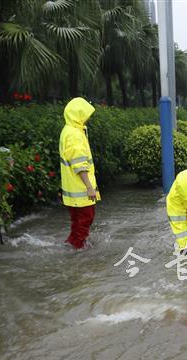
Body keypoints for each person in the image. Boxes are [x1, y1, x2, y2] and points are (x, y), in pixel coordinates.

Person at [60, 97, 100, 249]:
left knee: (77, 221)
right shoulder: (75, 135)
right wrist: (89, 187)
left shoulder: (68, 130)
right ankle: (78, 249)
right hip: (81, 188)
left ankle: (72, 243)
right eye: (85, 115)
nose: (88, 118)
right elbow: (79, 164)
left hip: (73, 188)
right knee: (85, 219)